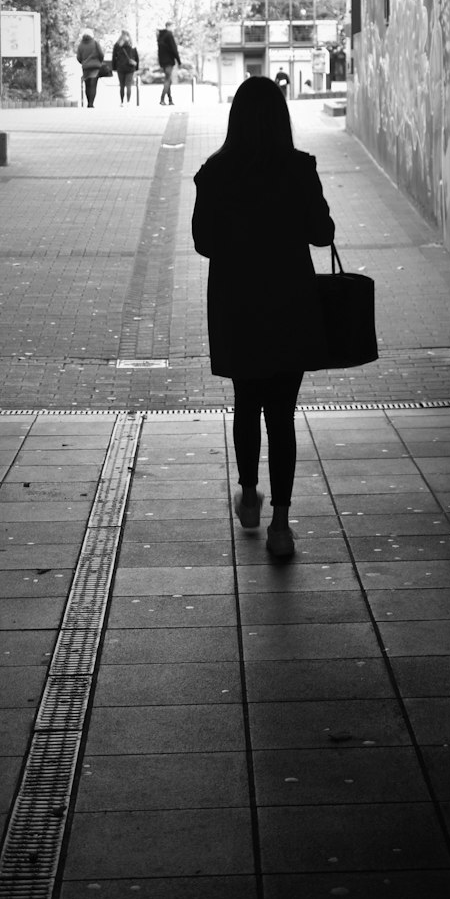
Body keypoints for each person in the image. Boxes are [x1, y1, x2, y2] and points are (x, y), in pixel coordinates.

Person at [192, 75, 335, 559]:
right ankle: (280, 525)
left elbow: (203, 242)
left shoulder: (215, 171)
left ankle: (249, 495)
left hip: (237, 304)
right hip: (289, 302)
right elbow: (321, 233)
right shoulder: (298, 168)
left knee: (247, 401)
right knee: (282, 415)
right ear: (281, 118)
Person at [76, 30, 105, 108]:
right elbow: (101, 54)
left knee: (87, 85)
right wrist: (99, 62)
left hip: (85, 67)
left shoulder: (81, 45)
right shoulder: (95, 43)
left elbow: (78, 57)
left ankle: (88, 102)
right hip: (95, 67)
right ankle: (91, 103)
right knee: (93, 85)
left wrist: (83, 62)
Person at [156, 21, 181, 105]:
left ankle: (170, 99)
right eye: (173, 26)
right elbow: (174, 49)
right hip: (169, 61)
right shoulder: (169, 35)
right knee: (167, 80)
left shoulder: (160, 36)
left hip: (162, 61)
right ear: (169, 26)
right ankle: (162, 99)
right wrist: (179, 61)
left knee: (168, 80)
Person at [112, 29, 139, 104]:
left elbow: (114, 57)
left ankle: (122, 102)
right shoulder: (132, 44)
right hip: (130, 68)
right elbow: (136, 57)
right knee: (129, 85)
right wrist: (136, 68)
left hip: (120, 67)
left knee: (121, 85)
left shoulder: (117, 45)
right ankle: (128, 102)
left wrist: (114, 67)